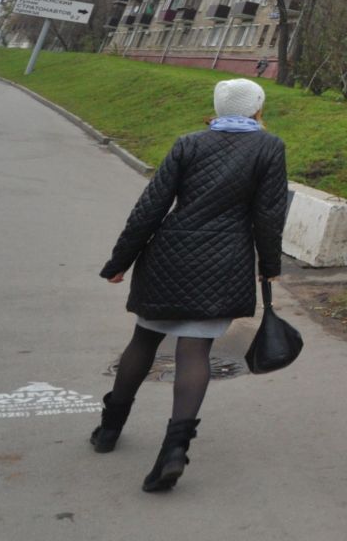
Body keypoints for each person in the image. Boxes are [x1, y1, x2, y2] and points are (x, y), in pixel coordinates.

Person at [92, 78, 288, 492]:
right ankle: (174, 452)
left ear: (218, 108)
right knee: (194, 350)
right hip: (225, 261)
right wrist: (269, 266)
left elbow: (151, 206)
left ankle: (108, 431)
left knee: (143, 340)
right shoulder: (269, 148)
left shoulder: (188, 143)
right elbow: (269, 215)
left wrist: (119, 262)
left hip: (169, 255)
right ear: (256, 109)